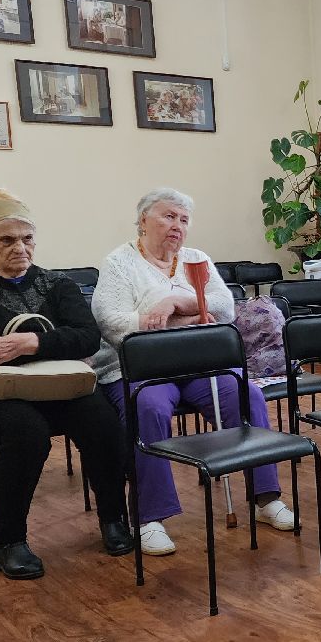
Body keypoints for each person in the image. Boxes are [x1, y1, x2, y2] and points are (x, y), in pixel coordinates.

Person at [91, 188, 296, 557]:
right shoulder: (119, 263)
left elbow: (223, 308)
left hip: (198, 365)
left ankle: (266, 498)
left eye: (184, 220)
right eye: (168, 216)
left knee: (246, 394)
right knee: (149, 408)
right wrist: (182, 316)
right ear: (142, 221)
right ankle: (149, 517)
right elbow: (111, 322)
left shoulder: (196, 260)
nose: (177, 226)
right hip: (140, 370)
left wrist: (172, 303)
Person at [0, 190, 131, 580]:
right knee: (26, 432)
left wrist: (28, 343)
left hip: (57, 384)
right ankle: (7, 542)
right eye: (6, 240)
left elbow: (87, 338)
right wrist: (54, 344)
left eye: (27, 238)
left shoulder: (56, 284)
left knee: (102, 420)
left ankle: (114, 519)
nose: (20, 248)